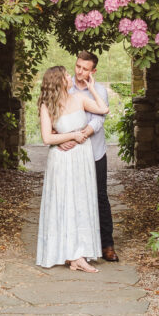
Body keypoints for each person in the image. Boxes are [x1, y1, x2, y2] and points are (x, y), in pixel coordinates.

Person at [35, 65, 109, 272]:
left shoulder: (79, 99)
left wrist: (92, 89)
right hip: (62, 160)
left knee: (81, 203)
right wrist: (71, 136)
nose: (71, 77)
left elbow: (103, 109)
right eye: (67, 75)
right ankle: (71, 254)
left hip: (82, 158)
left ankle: (79, 254)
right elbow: (47, 137)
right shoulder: (47, 105)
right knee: (64, 203)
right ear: (59, 81)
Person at [57, 51, 117, 262]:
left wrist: (79, 135)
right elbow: (55, 115)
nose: (79, 72)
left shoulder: (99, 90)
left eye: (85, 68)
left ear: (94, 70)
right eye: (78, 67)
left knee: (100, 196)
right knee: (73, 198)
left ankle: (107, 244)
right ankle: (73, 246)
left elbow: (99, 119)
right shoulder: (64, 86)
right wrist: (60, 136)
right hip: (70, 155)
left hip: (94, 152)